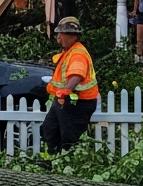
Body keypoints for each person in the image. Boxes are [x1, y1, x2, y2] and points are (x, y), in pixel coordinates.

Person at [40, 16, 99, 154]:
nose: (58, 37)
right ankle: (53, 158)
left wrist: (65, 90)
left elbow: (77, 75)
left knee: (68, 138)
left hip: (77, 103)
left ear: (71, 36)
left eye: (60, 34)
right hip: (65, 101)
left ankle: (65, 162)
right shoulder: (70, 51)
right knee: (49, 130)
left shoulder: (77, 54)